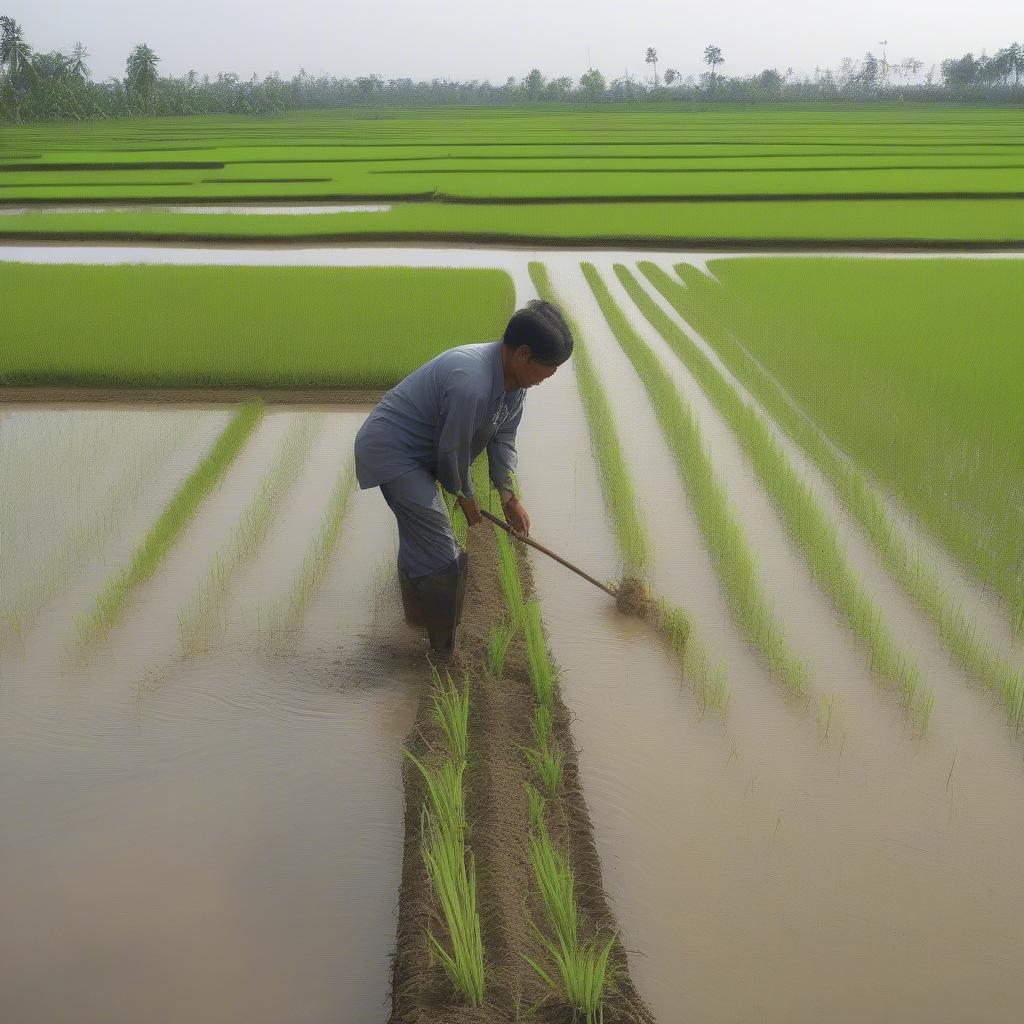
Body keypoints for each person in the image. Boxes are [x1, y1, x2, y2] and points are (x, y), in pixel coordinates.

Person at [354, 299, 573, 657]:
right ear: (523, 354)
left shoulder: (514, 386)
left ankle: (415, 619)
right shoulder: (471, 381)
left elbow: (503, 438)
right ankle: (443, 653)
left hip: (425, 453)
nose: (547, 378)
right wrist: (464, 495)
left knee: (420, 541)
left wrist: (508, 495)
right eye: (548, 370)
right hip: (395, 452)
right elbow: (452, 451)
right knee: (442, 553)